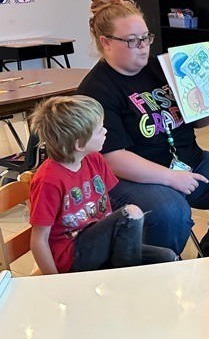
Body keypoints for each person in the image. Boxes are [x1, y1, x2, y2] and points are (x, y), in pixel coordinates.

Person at [78, 0, 209, 269]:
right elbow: (112, 158)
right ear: (106, 42)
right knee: (170, 213)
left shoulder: (160, 68)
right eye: (132, 40)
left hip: (187, 160)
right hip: (135, 178)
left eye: (146, 37)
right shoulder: (96, 90)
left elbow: (196, 120)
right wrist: (169, 177)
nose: (143, 47)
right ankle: (164, 272)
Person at [28, 95, 176, 274]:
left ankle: (125, 278)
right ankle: (126, 281)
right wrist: (55, 281)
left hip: (101, 243)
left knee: (167, 257)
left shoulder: (94, 159)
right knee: (130, 214)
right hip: (72, 256)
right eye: (99, 130)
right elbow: (39, 239)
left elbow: (108, 206)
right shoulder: (48, 180)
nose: (106, 131)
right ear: (79, 144)